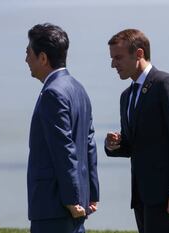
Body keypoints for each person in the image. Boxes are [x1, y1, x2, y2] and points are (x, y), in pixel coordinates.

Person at [104, 28, 169, 233]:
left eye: (118, 58)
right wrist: (113, 145)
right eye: (112, 58)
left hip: (168, 195)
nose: (113, 64)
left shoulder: (166, 84)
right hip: (142, 195)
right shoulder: (126, 96)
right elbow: (132, 144)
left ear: (138, 54)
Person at [26, 23, 99, 233]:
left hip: (54, 204)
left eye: (28, 53)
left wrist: (70, 199)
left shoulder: (52, 93)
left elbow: (63, 149)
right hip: (75, 202)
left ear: (43, 58)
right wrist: (91, 192)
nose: (26, 60)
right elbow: (89, 144)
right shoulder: (78, 88)